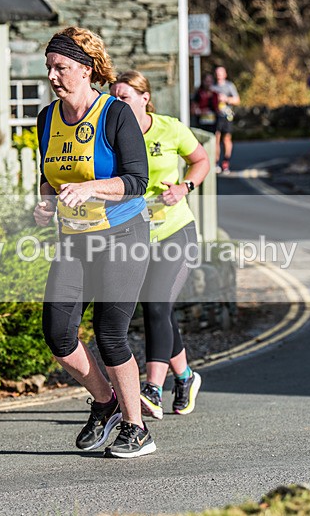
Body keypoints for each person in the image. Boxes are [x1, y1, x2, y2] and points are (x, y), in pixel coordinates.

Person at [33, 27, 155, 458]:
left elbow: (138, 182)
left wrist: (92, 188)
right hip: (74, 240)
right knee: (58, 333)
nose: (52, 75)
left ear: (85, 70)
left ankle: (137, 428)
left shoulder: (114, 114)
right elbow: (49, 178)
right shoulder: (47, 118)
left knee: (110, 335)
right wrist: (45, 203)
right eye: (48, 67)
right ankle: (105, 404)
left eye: (61, 67)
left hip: (122, 235)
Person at [110, 71, 211, 419]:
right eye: (114, 97)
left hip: (175, 231)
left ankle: (152, 387)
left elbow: (201, 160)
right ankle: (185, 376)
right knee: (159, 310)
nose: (117, 102)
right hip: (136, 237)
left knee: (155, 306)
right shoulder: (114, 134)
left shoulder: (170, 128)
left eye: (124, 97)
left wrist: (184, 188)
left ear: (144, 98)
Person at [211, 66, 240, 173]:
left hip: (227, 116)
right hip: (215, 116)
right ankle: (216, 162)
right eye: (217, 73)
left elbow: (237, 100)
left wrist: (226, 99)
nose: (219, 75)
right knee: (216, 139)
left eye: (221, 73)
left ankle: (226, 162)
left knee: (226, 139)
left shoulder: (229, 86)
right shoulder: (212, 87)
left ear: (225, 74)